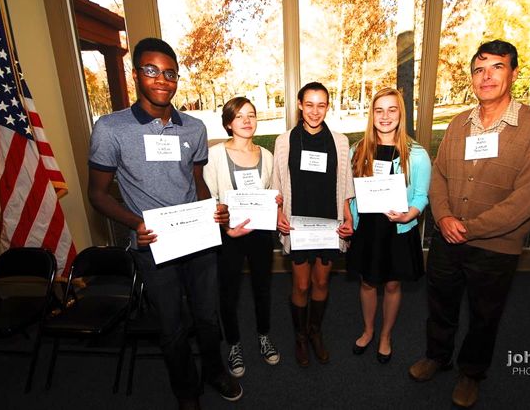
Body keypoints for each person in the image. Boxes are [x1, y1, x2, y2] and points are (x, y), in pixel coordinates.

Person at [88, 37, 242, 410]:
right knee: (172, 327)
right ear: (136, 74)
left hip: (199, 239)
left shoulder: (194, 128)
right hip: (153, 244)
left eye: (169, 73)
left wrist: (214, 210)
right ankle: (185, 390)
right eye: (151, 70)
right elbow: (98, 195)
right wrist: (135, 223)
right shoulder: (111, 129)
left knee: (207, 316)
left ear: (177, 78)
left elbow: (198, 182)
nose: (161, 79)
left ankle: (214, 369)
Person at [408, 40, 530, 408]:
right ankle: (437, 356)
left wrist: (469, 227)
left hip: (496, 246)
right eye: (479, 69)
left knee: (485, 314)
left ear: (513, 73)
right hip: (447, 237)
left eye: (497, 67)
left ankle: (472, 373)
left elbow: (529, 197)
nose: (486, 76)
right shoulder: (459, 124)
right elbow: (439, 175)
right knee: (440, 303)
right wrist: (443, 216)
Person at [273, 82, 354, 366]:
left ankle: (315, 331)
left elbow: (345, 183)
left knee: (321, 281)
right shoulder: (284, 141)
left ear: (328, 106)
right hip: (298, 224)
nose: (315, 111)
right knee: (302, 284)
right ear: (299, 104)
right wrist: (278, 214)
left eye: (321, 105)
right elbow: (278, 185)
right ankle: (299, 336)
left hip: (329, 224)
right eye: (309, 104)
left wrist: (348, 216)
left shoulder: (340, 141)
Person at [348, 88, 431, 364]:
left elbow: (421, 196)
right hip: (368, 230)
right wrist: (352, 221)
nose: (385, 116)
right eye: (379, 110)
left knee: (393, 285)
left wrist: (410, 215)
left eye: (391, 109)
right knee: (368, 282)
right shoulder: (358, 150)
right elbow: (351, 194)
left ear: (401, 114)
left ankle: (385, 335)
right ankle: (368, 329)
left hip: (398, 230)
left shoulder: (416, 154)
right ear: (371, 115)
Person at [203, 97, 280, 378]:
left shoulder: (267, 155)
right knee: (229, 292)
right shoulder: (214, 156)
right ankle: (234, 344)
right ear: (228, 123)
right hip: (229, 235)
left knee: (263, 287)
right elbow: (208, 198)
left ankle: (263, 336)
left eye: (252, 114)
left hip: (260, 233)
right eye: (239, 116)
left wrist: (275, 201)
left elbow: (269, 191)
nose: (247, 121)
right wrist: (224, 227)